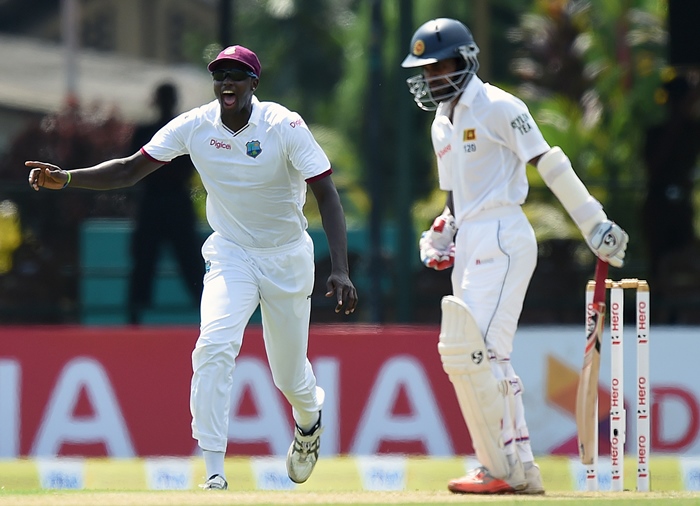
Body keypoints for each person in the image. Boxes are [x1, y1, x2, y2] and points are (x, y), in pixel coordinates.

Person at [26, 44, 358, 490]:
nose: (227, 84)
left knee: (289, 375)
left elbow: (326, 193)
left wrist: (340, 268)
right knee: (214, 345)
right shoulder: (195, 125)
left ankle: (308, 421)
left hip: (286, 257)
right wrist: (67, 178)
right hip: (231, 252)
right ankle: (215, 472)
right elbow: (128, 170)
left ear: (253, 85)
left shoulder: (284, 124)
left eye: (237, 76)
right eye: (220, 76)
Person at [401, 18, 628, 495]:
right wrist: (442, 235)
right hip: (472, 243)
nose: (431, 77)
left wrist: (594, 223)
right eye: (424, 69)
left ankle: (499, 467)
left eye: (438, 66)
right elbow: (457, 199)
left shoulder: (499, 106)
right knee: (487, 357)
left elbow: (548, 161)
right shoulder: (442, 121)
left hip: (504, 235)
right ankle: (518, 467)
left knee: (477, 354)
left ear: (464, 61)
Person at [127, 82, 205, 324]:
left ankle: (136, 312)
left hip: (161, 201)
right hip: (166, 202)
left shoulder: (150, 132)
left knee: (185, 258)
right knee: (149, 259)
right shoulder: (178, 131)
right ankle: (136, 312)